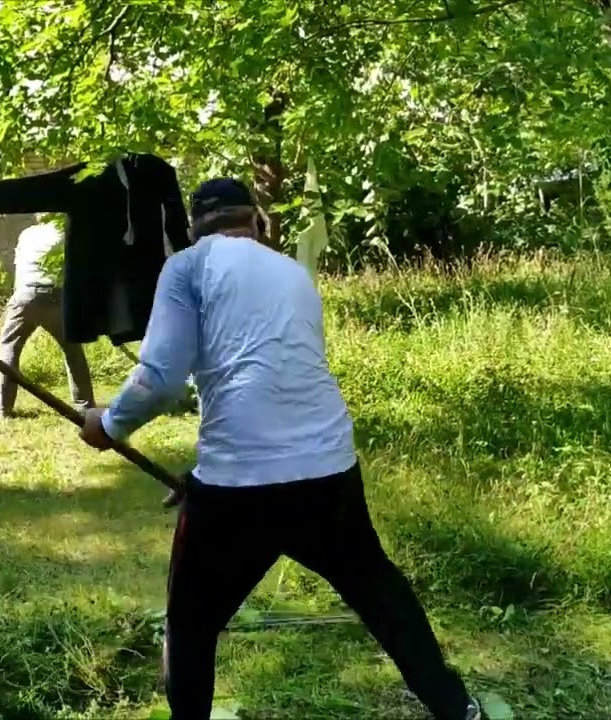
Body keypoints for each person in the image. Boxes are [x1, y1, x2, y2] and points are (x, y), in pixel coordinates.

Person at [77, 178, 488, 720]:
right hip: (328, 465)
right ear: (256, 222)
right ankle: (457, 709)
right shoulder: (292, 272)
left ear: (194, 228)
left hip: (239, 486)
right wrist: (204, 475)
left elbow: (161, 378)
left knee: (191, 623)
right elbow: (272, 384)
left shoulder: (187, 267)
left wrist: (107, 424)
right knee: (378, 590)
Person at [0, 215, 96, 419]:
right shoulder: (64, 233)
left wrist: (16, 300)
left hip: (25, 295)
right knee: (72, 349)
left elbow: (19, 267)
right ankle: (85, 405)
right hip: (56, 297)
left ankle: (2, 408)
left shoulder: (27, 234)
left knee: (9, 347)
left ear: (39, 216)